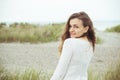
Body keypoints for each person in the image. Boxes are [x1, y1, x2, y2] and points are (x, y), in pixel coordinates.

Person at [50, 11, 96, 80]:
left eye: (76, 27)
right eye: (70, 26)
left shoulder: (70, 42)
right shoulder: (90, 44)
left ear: (86, 29)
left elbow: (60, 72)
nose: (71, 30)